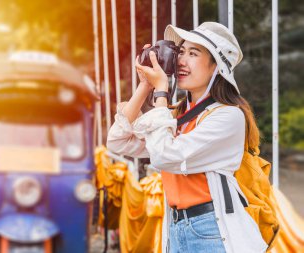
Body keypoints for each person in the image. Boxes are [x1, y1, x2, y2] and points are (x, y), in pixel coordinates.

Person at [107, 22, 267, 253]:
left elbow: (163, 155)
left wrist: (161, 91)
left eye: (193, 53)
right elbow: (117, 141)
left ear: (216, 67)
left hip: (212, 229)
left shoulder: (229, 116)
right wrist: (144, 86)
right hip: (175, 226)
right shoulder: (176, 116)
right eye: (181, 51)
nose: (182, 60)